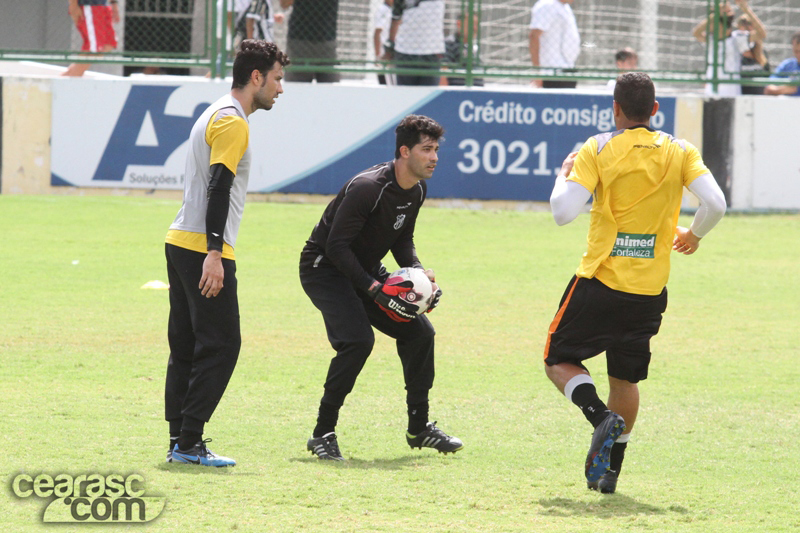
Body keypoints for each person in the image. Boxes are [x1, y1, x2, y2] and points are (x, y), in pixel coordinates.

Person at [545, 72, 726, 493]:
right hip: (649, 292)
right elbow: (715, 203)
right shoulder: (680, 150)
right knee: (625, 381)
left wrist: (563, 174)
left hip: (600, 281)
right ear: (655, 110)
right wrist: (693, 235)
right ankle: (611, 473)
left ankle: (597, 417)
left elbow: (562, 212)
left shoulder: (598, 146)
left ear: (616, 109)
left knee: (557, 360)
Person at [299, 115, 461, 461]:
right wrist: (375, 288)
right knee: (357, 341)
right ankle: (322, 434)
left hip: (364, 271)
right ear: (404, 151)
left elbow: (403, 239)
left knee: (420, 334)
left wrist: (420, 281)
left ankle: (419, 429)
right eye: (426, 149)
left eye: (436, 150)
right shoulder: (368, 188)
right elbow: (336, 247)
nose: (434, 157)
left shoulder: (416, 189)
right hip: (323, 268)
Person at [164, 40, 289, 467]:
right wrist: (215, 253)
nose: (280, 88)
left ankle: (179, 440)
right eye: (276, 78)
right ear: (256, 77)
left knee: (186, 345)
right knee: (222, 344)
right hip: (203, 247)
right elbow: (220, 186)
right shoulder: (233, 122)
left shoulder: (214, 110)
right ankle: (189, 441)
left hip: (181, 241)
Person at [692, 0, 765, 97]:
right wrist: (716, 14)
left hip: (731, 94)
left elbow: (762, 34)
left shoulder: (737, 38)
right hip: (711, 93)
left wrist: (745, 9)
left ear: (720, 26)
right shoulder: (711, 40)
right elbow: (696, 32)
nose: (709, 25)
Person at [386, 0, 445, 86]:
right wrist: (390, 46)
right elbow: (395, 19)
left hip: (431, 52)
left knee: (428, 94)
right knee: (405, 94)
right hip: (405, 51)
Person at [279, 0, 340, 83]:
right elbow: (284, 3)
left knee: (330, 88)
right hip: (299, 41)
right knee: (296, 88)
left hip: (327, 40)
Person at [528, 0, 580, 89]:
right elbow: (534, 36)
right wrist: (537, 72)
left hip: (567, 71)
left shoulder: (565, 7)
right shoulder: (547, 5)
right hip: (551, 73)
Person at [63, 0, 120, 77]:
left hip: (103, 5)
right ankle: (70, 78)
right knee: (94, 49)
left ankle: (69, 75)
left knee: (109, 44)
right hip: (89, 5)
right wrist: (73, 5)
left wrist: (114, 4)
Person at [440, 10, 483, 87]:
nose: (475, 28)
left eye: (477, 24)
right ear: (459, 24)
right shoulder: (449, 44)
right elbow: (442, 73)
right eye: (471, 23)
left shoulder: (473, 48)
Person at [765, 31, 800, 96]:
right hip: (788, 104)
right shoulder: (787, 65)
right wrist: (786, 89)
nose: (798, 55)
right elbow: (769, 88)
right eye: (796, 51)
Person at [374, 0, 395, 85]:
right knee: (385, 82)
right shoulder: (382, 10)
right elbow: (377, 33)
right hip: (385, 52)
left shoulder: (394, 10)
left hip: (393, 52)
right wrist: (378, 55)